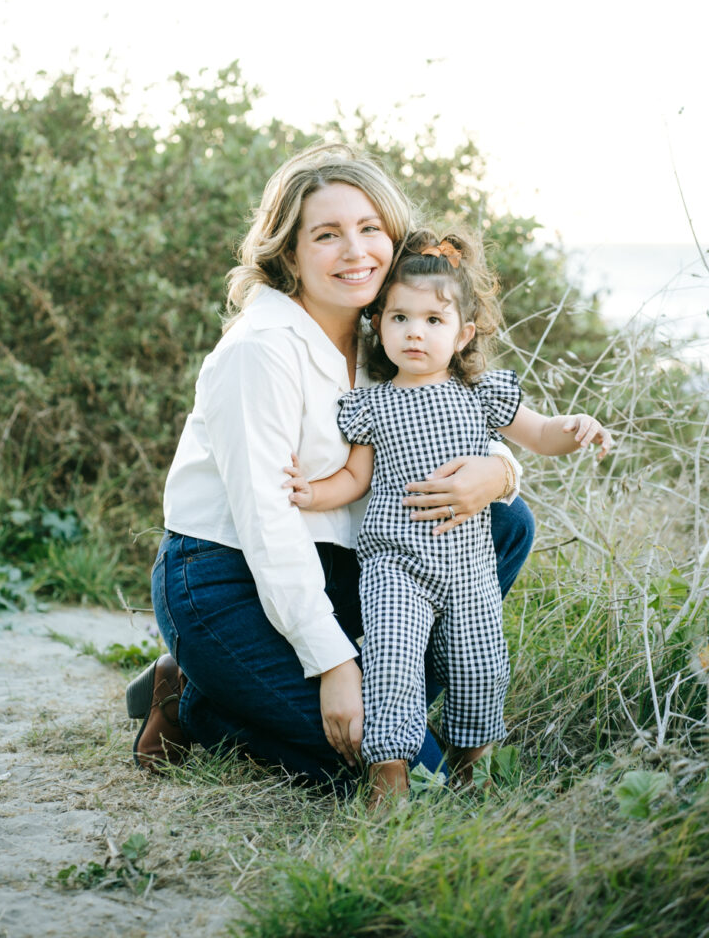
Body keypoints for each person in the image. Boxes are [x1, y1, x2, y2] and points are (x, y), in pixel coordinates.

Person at [125, 142, 535, 790]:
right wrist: (334, 666)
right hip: (224, 580)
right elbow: (269, 528)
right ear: (289, 252)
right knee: (401, 778)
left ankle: (365, 701)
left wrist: (499, 472)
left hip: (341, 566)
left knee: (509, 524)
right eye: (327, 234)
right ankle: (196, 695)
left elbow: (455, 410)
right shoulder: (260, 351)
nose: (355, 251)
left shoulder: (389, 334)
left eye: (370, 229)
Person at [283, 228, 612, 805]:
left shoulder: (480, 393)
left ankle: (473, 771)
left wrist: (576, 426)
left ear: (462, 334)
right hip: (395, 566)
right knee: (394, 669)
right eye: (400, 318)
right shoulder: (373, 404)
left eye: (433, 321)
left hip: (469, 568)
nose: (415, 332)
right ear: (378, 325)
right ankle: (389, 783)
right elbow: (356, 479)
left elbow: (538, 435)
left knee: (481, 670)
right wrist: (311, 492)